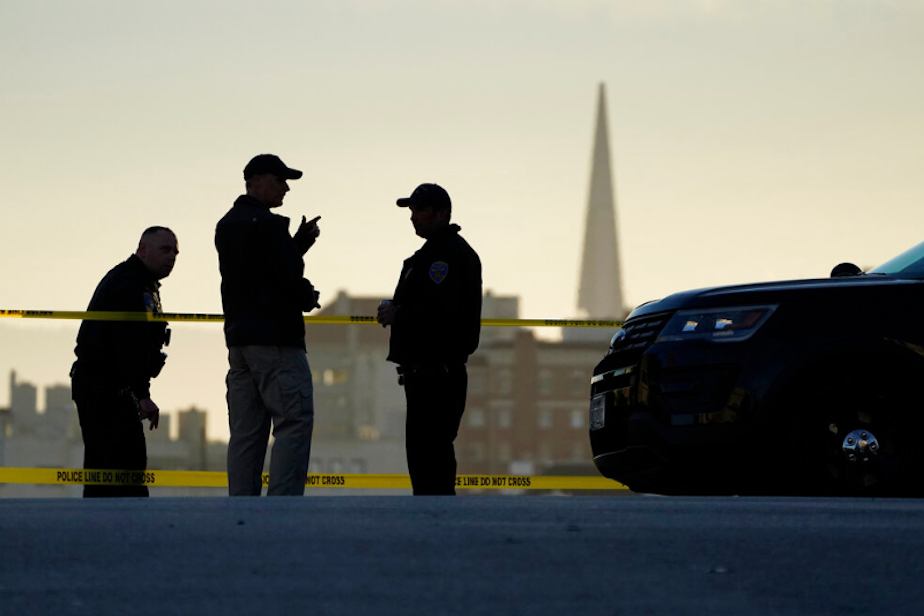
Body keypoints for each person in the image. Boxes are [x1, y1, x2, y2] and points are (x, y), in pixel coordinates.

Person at [215, 153, 321, 496]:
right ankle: (282, 509)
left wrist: (296, 245)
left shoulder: (227, 224)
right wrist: (309, 297)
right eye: (280, 180)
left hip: (240, 343)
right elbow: (286, 280)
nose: (286, 188)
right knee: (293, 422)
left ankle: (242, 508)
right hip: (277, 342)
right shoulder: (269, 225)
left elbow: (258, 272)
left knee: (246, 432)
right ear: (258, 180)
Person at [377, 183, 482, 495]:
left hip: (437, 371)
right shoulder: (433, 254)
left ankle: (436, 521)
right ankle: (433, 519)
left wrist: (399, 313)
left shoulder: (446, 257)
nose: (414, 218)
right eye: (412, 211)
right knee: (425, 456)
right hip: (426, 371)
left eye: (420, 211)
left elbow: (441, 312)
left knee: (430, 455)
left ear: (442, 214)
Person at [70, 226, 179, 498]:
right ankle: (123, 531)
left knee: (108, 470)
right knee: (121, 471)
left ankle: (108, 531)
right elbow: (129, 344)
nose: (172, 257)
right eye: (165, 250)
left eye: (175, 252)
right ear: (143, 250)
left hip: (108, 387)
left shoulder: (139, 283)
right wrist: (142, 395)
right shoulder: (129, 285)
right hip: (106, 389)